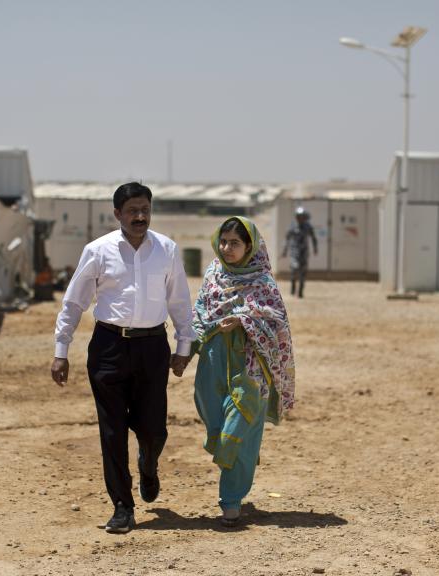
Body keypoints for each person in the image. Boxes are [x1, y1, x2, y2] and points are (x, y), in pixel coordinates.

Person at [50, 182, 195, 534]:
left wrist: (184, 347)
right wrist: (61, 350)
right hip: (109, 348)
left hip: (152, 348)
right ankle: (122, 506)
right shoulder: (98, 251)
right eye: (132, 210)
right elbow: (74, 301)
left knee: (154, 428)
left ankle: (148, 462)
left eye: (145, 209)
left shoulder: (167, 249)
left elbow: (179, 301)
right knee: (112, 432)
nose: (140, 216)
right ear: (117, 214)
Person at [190, 216, 295, 527]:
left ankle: (231, 502)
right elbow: (199, 313)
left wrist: (243, 321)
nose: (227, 248)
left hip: (251, 367)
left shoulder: (263, 283)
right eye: (223, 242)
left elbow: (277, 324)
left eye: (234, 243)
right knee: (220, 423)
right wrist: (186, 350)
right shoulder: (212, 275)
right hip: (212, 363)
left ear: (250, 246)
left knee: (238, 427)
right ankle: (235, 484)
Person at [282, 206, 317, 298]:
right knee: (294, 269)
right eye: (298, 216)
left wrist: (315, 248)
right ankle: (293, 287)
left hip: (304, 252)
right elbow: (287, 239)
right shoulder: (292, 226)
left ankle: (300, 292)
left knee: (303, 272)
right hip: (294, 252)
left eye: (302, 216)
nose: (300, 218)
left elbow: (313, 238)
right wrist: (285, 250)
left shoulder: (308, 226)